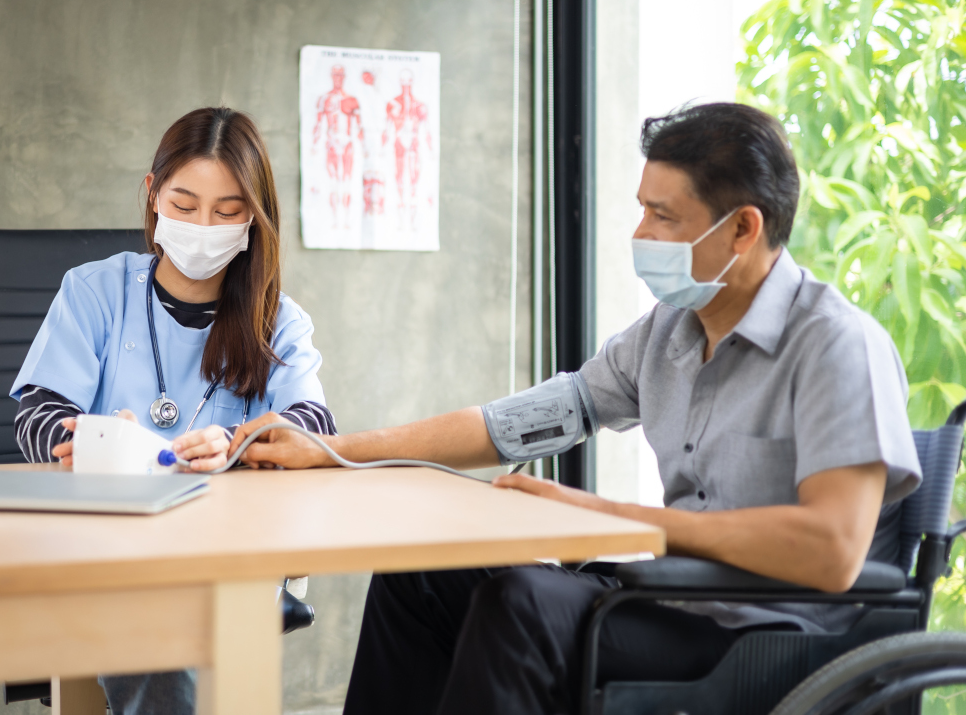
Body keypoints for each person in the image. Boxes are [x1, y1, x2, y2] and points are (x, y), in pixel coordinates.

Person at [230, 103, 922, 715]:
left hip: (770, 633)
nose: (641, 233)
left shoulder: (836, 344)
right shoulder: (668, 333)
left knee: (526, 605)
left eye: (663, 215)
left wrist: (616, 520)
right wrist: (335, 448)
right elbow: (519, 422)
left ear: (743, 228)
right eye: (642, 208)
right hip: (665, 597)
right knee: (420, 578)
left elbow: (832, 551)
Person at [9, 107, 335, 714]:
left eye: (228, 211)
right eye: (184, 206)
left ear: (254, 219)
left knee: (171, 638)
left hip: (227, 555)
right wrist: (89, 437)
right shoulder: (94, 291)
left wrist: (236, 444)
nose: (203, 225)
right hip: (106, 555)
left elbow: (315, 431)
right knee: (155, 636)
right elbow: (37, 415)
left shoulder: (277, 321)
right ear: (154, 195)